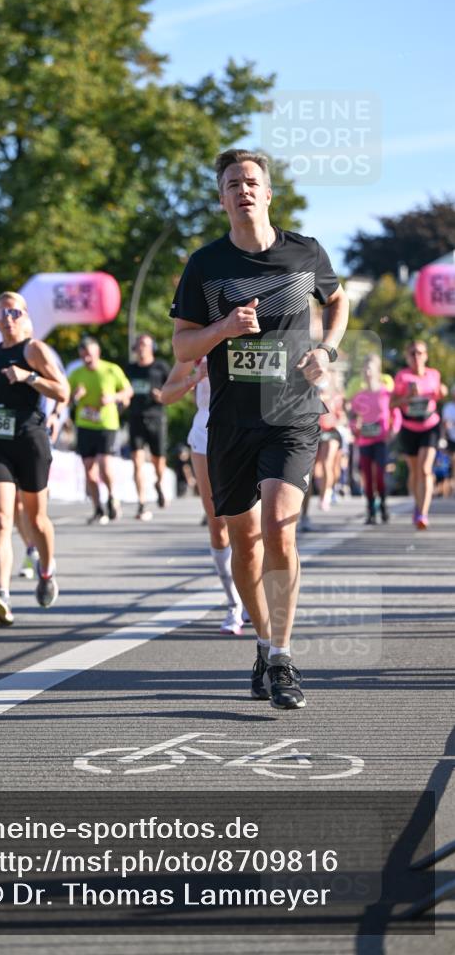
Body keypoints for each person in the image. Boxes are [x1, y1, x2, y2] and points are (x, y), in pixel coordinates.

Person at [170, 148, 349, 710]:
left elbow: (338, 302)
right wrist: (222, 327)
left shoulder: (305, 252)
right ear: (221, 199)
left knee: (280, 526)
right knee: (244, 543)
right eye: (231, 184)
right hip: (231, 421)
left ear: (268, 193)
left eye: (251, 181)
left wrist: (328, 349)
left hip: (292, 414)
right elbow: (181, 345)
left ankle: (281, 656)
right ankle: (263, 639)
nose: (243, 189)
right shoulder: (205, 265)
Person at [0, 291, 69, 626]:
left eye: (14, 312)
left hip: (30, 438)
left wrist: (29, 376)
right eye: (2, 313)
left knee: (37, 519)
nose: (8, 318)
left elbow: (62, 391)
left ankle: (46, 570)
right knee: (0, 517)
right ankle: (1, 594)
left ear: (26, 315)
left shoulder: (34, 349)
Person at [159, 356, 246, 634]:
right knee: (218, 524)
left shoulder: (254, 329)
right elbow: (166, 394)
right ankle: (234, 604)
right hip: (206, 432)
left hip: (247, 431)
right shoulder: (200, 339)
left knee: (250, 525)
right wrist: (195, 377)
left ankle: (255, 596)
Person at [68, 337, 133, 524]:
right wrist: (75, 396)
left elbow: (128, 391)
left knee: (105, 466)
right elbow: (65, 397)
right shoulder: (76, 373)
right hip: (85, 424)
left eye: (89, 354)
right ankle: (98, 509)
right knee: (89, 470)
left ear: (97, 353)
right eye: (83, 355)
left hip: (107, 424)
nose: (86, 358)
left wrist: (112, 398)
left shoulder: (111, 369)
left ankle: (113, 497)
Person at [391, 340, 446, 530]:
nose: (417, 357)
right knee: (414, 472)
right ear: (407, 356)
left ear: (426, 355)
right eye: (413, 353)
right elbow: (392, 403)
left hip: (430, 425)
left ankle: (423, 512)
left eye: (420, 353)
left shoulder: (434, 375)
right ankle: (418, 503)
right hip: (409, 427)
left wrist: (442, 391)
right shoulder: (401, 376)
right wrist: (408, 396)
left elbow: (438, 395)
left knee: (425, 469)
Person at [349, 353, 401, 524]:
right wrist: (354, 428)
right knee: (367, 477)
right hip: (364, 441)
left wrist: (394, 429)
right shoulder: (359, 396)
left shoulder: (386, 394)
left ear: (378, 371)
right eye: (365, 368)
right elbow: (353, 416)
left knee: (380, 475)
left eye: (370, 368)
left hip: (381, 440)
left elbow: (396, 413)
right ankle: (371, 511)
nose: (367, 372)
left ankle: (384, 506)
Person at [125, 333, 170, 520]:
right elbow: (123, 390)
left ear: (152, 347)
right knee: (137, 461)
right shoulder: (129, 369)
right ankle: (142, 503)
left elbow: (173, 388)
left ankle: (159, 483)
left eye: (145, 344)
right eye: (139, 345)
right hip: (135, 418)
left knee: (158, 461)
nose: (141, 348)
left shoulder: (160, 367)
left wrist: (163, 396)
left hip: (156, 417)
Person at [314, 371, 346, 511]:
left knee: (328, 463)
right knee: (316, 468)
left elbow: (342, 415)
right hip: (316, 432)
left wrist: (340, 420)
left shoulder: (337, 397)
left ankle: (325, 496)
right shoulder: (314, 393)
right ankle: (323, 489)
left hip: (331, 431)